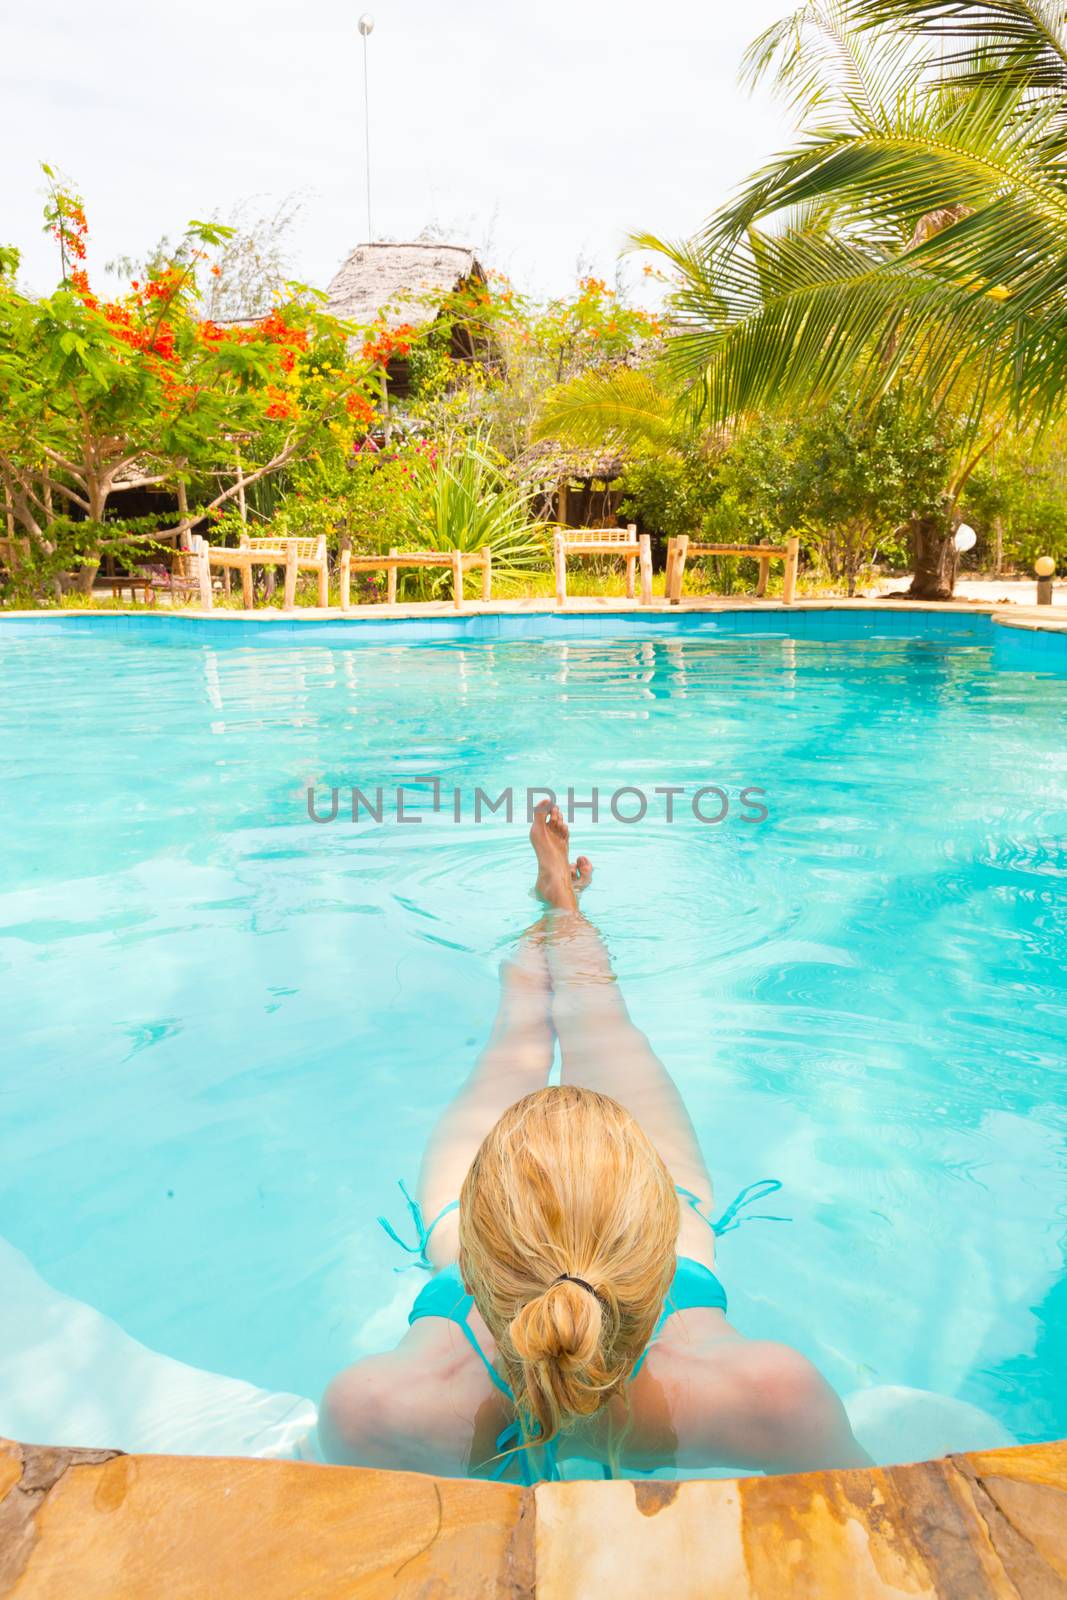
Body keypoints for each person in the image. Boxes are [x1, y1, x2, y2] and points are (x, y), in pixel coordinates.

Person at [317, 800, 870, 1481]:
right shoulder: (774, 1400)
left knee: (512, 1041)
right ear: (661, 1236)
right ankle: (565, 912)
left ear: (476, 1252)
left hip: (462, 1322)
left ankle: (550, 910)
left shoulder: (372, 1408)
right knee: (599, 1016)